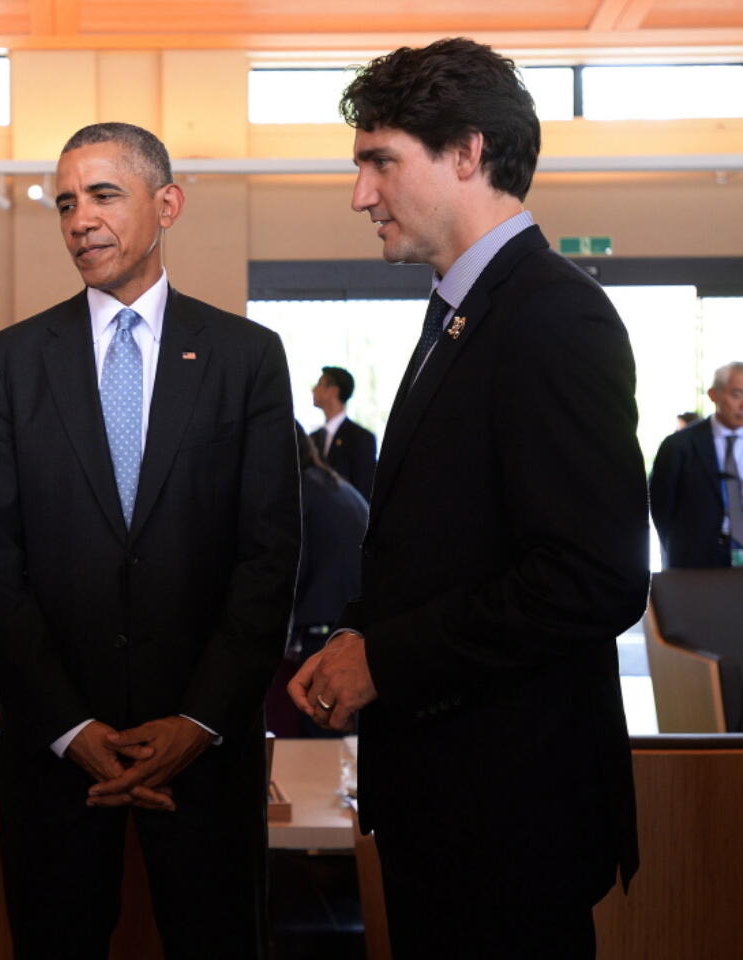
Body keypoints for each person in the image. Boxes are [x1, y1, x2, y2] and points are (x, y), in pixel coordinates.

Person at [287, 39, 649, 959]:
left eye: (380, 161)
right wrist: (356, 638)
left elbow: (593, 578)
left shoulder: (551, 314)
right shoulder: (459, 308)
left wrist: (387, 659)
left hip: (511, 815)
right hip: (451, 803)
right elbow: (446, 538)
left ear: (467, 154)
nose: (360, 194)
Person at [0, 122, 300, 958]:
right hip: (54, 757)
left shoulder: (246, 357)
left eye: (104, 195)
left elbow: (270, 556)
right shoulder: (8, 363)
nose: (80, 219)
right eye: (66, 202)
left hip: (204, 750)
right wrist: (71, 728)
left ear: (168, 204)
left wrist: (199, 720)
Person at [265, 422, 368, 738]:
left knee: (318, 732)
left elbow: (291, 569)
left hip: (326, 630)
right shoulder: (330, 483)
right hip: (353, 622)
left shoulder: (300, 492)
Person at [650, 361, 743, 568]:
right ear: (713, 395)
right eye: (737, 395)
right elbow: (661, 507)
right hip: (695, 562)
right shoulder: (679, 446)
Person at [310, 365, 377, 499]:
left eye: (320, 384)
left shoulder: (361, 438)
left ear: (333, 391)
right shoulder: (312, 439)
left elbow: (363, 491)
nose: (313, 389)